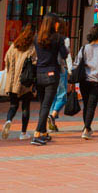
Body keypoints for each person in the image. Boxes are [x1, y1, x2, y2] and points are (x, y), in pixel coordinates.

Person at [32, 14, 68, 146]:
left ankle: (43, 132)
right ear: (53, 24)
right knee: (47, 105)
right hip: (52, 74)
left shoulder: (37, 38)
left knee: (43, 104)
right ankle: (36, 134)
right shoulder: (57, 38)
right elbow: (64, 54)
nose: (58, 24)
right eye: (57, 22)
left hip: (39, 73)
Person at [0, 23, 36, 140]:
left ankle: (8, 120)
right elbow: (35, 63)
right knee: (25, 107)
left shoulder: (14, 45)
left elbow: (6, 60)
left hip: (12, 82)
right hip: (25, 82)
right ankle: (23, 133)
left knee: (13, 105)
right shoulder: (32, 48)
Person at [77, 24, 98, 139]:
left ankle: (86, 127)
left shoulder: (84, 48)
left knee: (87, 104)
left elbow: (77, 63)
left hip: (84, 80)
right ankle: (86, 129)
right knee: (91, 105)